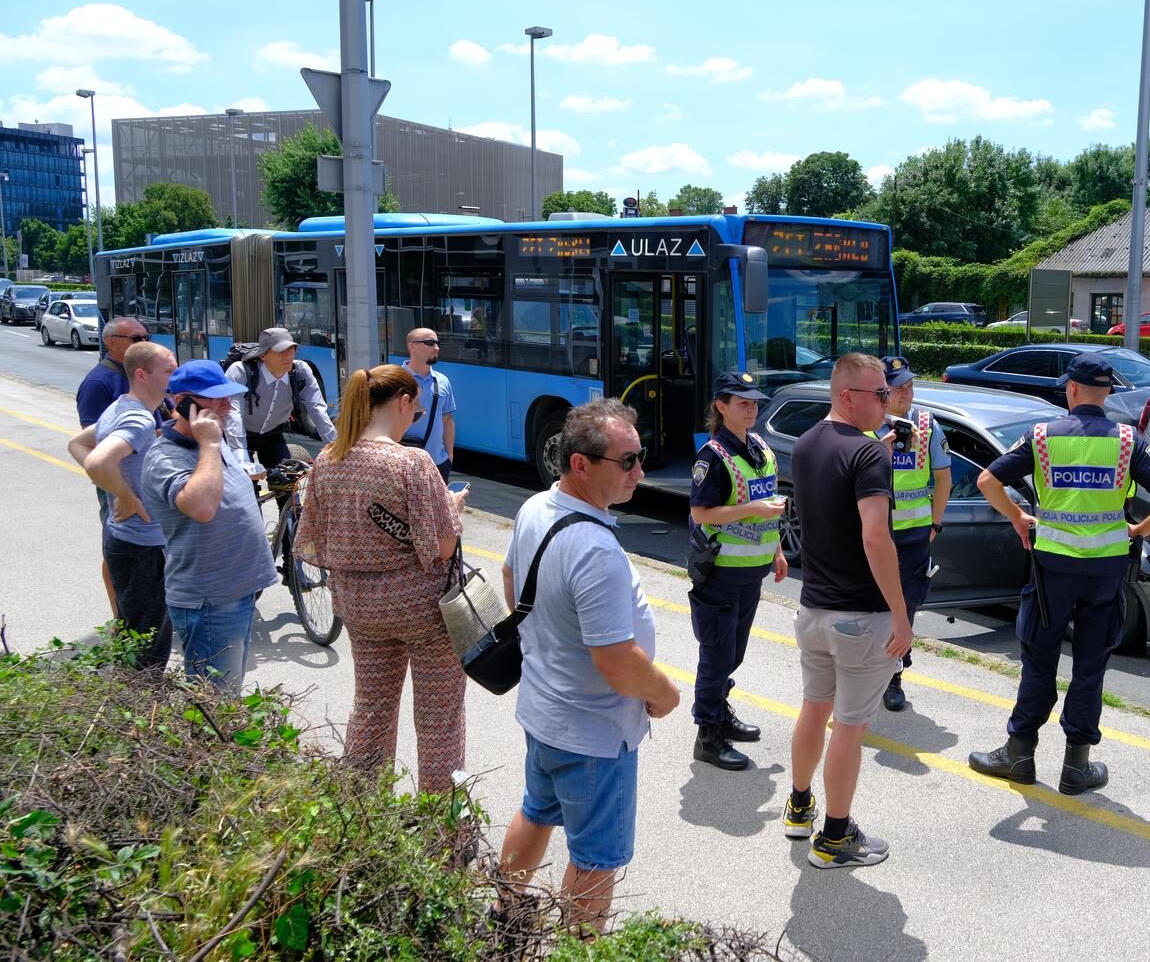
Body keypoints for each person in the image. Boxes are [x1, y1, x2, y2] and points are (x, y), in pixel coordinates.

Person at [967, 353, 1150, 794]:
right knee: (1090, 666)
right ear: (1106, 392)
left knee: (1038, 659)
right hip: (1105, 573)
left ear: (1071, 389)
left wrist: (1017, 518)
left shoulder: (1043, 437)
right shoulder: (1128, 441)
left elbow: (987, 481)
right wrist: (1139, 529)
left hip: (1052, 570)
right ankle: (1076, 767)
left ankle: (1019, 753)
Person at [498, 399, 679, 934]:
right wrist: (664, 695)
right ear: (581, 464)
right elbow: (618, 663)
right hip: (594, 733)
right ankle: (581, 947)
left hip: (544, 711)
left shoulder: (536, 508)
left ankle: (503, 913)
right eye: (627, 461)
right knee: (597, 858)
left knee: (536, 812)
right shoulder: (595, 548)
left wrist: (552, 643)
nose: (640, 473)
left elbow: (512, 582)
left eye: (639, 457)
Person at [294, 364, 470, 793]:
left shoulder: (328, 460)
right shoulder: (413, 462)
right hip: (424, 612)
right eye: (416, 409)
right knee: (439, 722)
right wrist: (453, 509)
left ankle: (362, 816)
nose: (416, 417)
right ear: (403, 402)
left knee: (371, 709)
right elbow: (443, 547)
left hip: (359, 608)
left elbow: (313, 540)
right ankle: (441, 831)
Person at [783, 352, 914, 869]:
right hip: (861, 617)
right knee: (850, 727)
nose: (888, 402)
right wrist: (901, 614)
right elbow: (875, 536)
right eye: (880, 394)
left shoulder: (810, 443)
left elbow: (837, 482)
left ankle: (799, 807)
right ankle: (835, 838)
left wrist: (870, 452)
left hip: (813, 609)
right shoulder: (870, 456)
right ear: (847, 396)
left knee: (814, 707)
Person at [139, 360, 280, 694]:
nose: (227, 406)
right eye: (216, 400)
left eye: (228, 398)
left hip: (238, 594)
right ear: (184, 402)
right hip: (210, 603)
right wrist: (211, 444)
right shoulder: (168, 456)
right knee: (215, 708)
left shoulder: (213, 442)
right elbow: (201, 507)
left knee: (225, 697)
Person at [686, 371, 789, 771]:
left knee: (735, 652)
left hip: (752, 570)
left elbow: (768, 505)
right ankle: (707, 734)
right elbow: (700, 512)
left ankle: (719, 711)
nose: (751, 408)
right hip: (721, 572)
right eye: (741, 402)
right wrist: (752, 511)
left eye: (754, 402)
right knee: (717, 654)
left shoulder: (761, 447)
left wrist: (777, 551)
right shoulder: (713, 456)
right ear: (721, 406)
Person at [66, 341, 177, 670]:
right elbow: (97, 462)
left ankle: (129, 707)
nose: (175, 375)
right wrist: (126, 496)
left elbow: (76, 444)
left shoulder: (119, 407)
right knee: (150, 651)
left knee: (134, 638)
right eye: (168, 370)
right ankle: (140, 713)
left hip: (127, 541)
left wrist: (117, 490)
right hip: (143, 547)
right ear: (142, 374)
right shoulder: (140, 420)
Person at [875, 355, 952, 712]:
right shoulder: (867, 425)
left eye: (910, 386)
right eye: (898, 388)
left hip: (913, 535)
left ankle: (894, 677)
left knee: (904, 606)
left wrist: (934, 524)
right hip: (875, 533)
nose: (907, 393)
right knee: (869, 605)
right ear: (883, 393)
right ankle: (865, 673)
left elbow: (943, 478)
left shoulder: (927, 424)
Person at [77, 315, 149, 614]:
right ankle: (121, 619)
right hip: (119, 485)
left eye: (146, 337)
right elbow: (91, 443)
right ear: (110, 343)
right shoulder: (98, 383)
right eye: (136, 339)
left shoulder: (139, 376)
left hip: (147, 482)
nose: (143, 343)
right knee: (118, 550)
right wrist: (121, 492)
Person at [223, 327, 337, 471]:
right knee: (244, 483)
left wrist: (335, 446)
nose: (288, 355)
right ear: (263, 355)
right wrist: (242, 460)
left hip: (272, 435)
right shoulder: (240, 371)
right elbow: (233, 415)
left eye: (292, 349)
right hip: (241, 434)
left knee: (288, 480)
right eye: (281, 351)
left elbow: (317, 409)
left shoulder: (300, 371)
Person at [400, 327, 456, 482]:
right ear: (412, 347)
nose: (436, 348)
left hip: (437, 464)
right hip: (404, 465)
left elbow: (447, 420)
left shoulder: (442, 381)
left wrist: (449, 456)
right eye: (429, 343)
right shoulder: (396, 380)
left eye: (437, 343)